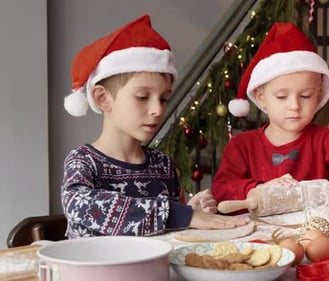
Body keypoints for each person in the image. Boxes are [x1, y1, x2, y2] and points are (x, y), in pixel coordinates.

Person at [61, 15, 248, 238]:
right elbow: (80, 206)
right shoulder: (83, 161)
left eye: (163, 98)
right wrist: (180, 215)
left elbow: (166, 233)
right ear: (103, 99)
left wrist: (191, 213)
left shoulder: (162, 165)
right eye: (142, 97)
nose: (158, 110)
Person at [212, 22, 329, 218]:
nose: (294, 105)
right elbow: (221, 188)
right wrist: (257, 190)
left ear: (318, 96)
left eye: (305, 96)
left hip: (314, 232)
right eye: (282, 97)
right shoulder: (242, 146)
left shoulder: (325, 140)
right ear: (261, 97)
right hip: (259, 237)